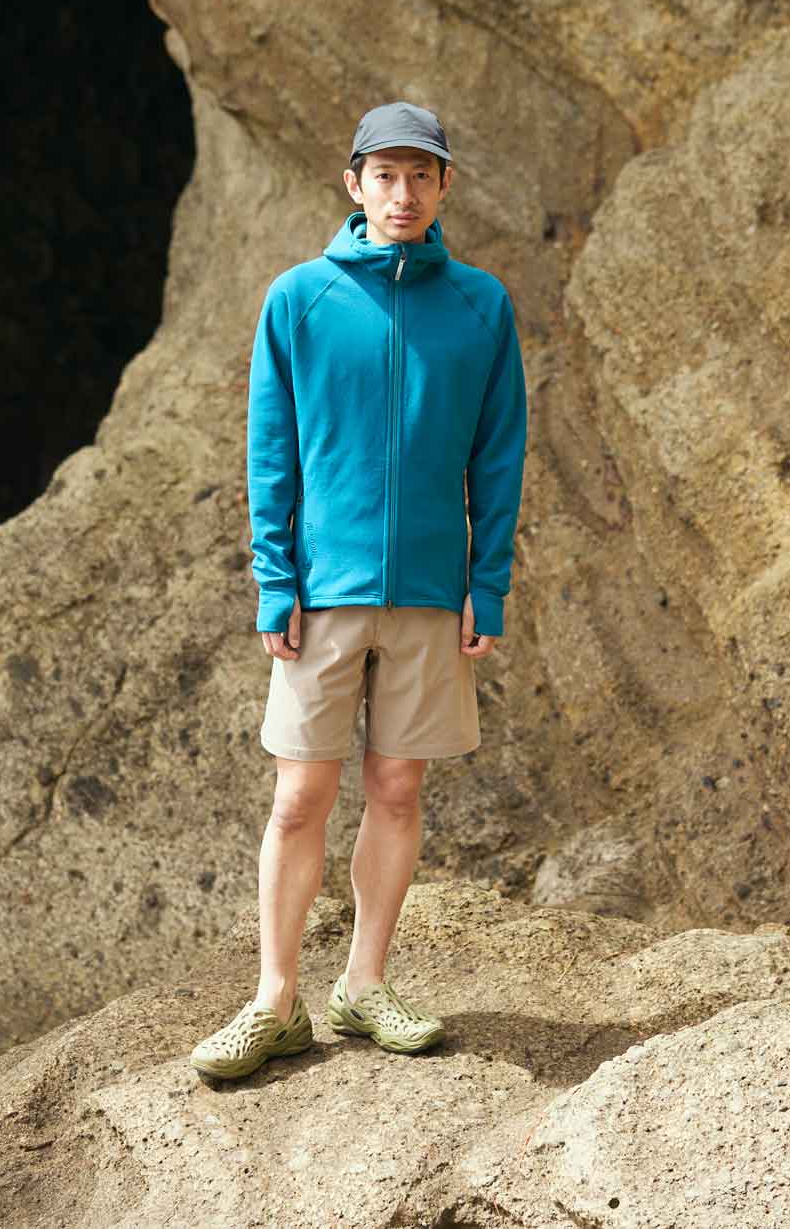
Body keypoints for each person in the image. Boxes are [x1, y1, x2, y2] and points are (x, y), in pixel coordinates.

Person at [191, 101, 528, 1080]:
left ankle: (364, 985)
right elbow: (271, 452)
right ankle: (274, 999)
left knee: (396, 785)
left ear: (444, 186)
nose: (402, 193)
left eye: (420, 175)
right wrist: (275, 580)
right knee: (301, 793)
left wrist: (487, 582)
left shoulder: (481, 306)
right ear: (354, 184)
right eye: (385, 175)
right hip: (323, 592)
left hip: (429, 591)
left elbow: (498, 455)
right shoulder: (298, 299)